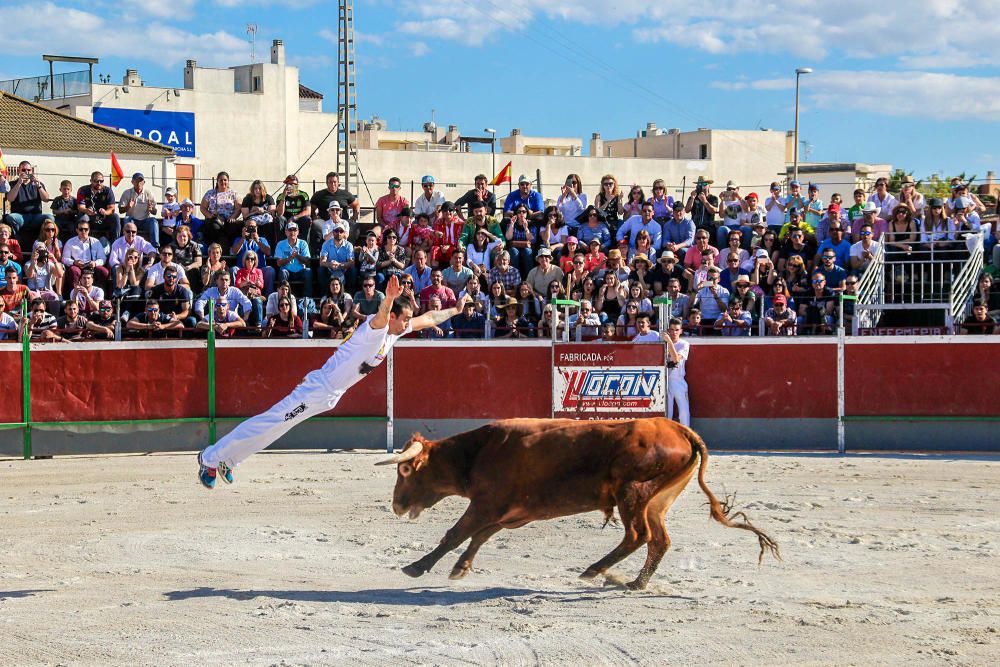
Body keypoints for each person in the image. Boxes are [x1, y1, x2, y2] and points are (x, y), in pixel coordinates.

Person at [196, 277, 469, 484]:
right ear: (393, 315)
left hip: (329, 395)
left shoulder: (396, 331)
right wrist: (387, 299)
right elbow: (382, 317)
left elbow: (429, 317)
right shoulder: (375, 329)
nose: (408, 324)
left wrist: (455, 310)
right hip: (317, 390)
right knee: (270, 422)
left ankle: (228, 460)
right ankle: (209, 457)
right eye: (404, 318)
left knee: (276, 428)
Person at [4, 161, 53, 239]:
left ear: (32, 171)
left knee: (50, 217)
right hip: (20, 216)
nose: (26, 172)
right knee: (11, 217)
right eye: (23, 170)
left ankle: (43, 240)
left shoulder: (38, 184)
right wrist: (19, 183)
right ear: (18, 171)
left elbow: (46, 199)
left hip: (36, 216)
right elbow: (10, 198)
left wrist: (39, 186)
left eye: (29, 170)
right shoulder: (13, 184)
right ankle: (17, 240)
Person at [310, 172, 359, 247]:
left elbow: (356, 204)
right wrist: (314, 217)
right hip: (324, 222)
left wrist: (354, 217)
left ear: (338, 182)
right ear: (327, 183)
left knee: (353, 225)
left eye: (335, 182)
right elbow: (311, 207)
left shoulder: (345, 194)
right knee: (316, 224)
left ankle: (350, 249)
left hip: (343, 221)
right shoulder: (319, 194)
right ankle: (318, 251)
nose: (333, 184)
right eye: (330, 182)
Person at [660, 317, 690, 426]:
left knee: (683, 413)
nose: (674, 332)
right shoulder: (662, 343)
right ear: (668, 330)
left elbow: (676, 359)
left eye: (677, 330)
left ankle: (687, 438)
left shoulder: (684, 344)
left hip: (678, 381)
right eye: (671, 330)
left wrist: (669, 342)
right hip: (664, 381)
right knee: (667, 414)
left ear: (681, 331)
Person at [62, 219, 109, 289]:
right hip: (77, 266)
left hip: (92, 267)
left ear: (89, 230)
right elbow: (64, 259)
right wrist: (74, 262)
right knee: (73, 270)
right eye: (81, 229)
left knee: (104, 271)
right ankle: (75, 295)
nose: (83, 231)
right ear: (77, 230)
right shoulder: (70, 242)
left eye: (86, 229)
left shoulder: (96, 242)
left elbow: (103, 258)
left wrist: (95, 263)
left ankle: (99, 295)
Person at [76, 171, 120, 242]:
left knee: (115, 217)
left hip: (104, 218)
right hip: (89, 218)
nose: (99, 183)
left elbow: (112, 208)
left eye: (101, 181)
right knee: (82, 217)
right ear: (91, 181)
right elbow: (80, 207)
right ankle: (80, 241)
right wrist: (87, 210)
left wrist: (105, 212)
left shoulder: (107, 191)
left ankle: (116, 243)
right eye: (96, 181)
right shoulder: (83, 190)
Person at [118, 172, 159, 248]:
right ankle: (126, 245)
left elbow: (155, 212)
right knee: (127, 219)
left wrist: (151, 209)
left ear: (144, 182)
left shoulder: (149, 193)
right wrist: (127, 207)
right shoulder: (127, 193)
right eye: (136, 181)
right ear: (132, 182)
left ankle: (155, 247)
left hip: (145, 221)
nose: (138, 183)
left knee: (153, 221)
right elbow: (120, 210)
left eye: (140, 181)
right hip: (132, 220)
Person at [199, 171, 240, 246]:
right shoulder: (210, 193)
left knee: (234, 227)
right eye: (220, 180)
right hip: (214, 219)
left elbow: (238, 208)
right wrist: (210, 215)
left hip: (228, 220)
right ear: (217, 182)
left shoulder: (233, 193)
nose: (223, 182)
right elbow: (202, 207)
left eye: (225, 180)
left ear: (228, 181)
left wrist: (233, 217)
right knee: (214, 227)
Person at [274, 222, 313, 298]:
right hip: (287, 271)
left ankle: (307, 298)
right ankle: (283, 297)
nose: (292, 232)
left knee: (308, 271)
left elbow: (307, 262)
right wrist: (290, 258)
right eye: (290, 230)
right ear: (286, 232)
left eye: (295, 230)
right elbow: (278, 263)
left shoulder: (303, 243)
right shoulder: (280, 244)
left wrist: (297, 256)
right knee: (282, 272)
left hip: (300, 271)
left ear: (298, 232)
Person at [275, 175, 312, 247]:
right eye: (290, 184)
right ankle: (281, 246)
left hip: (298, 218)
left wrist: (295, 217)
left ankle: (304, 247)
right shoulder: (281, 196)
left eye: (295, 184)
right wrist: (283, 197)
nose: (292, 186)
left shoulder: (303, 195)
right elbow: (280, 213)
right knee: (279, 219)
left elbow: (308, 211)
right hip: (286, 219)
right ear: (286, 185)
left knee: (307, 219)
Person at [240, 180, 277, 245]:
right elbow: (245, 216)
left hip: (265, 220)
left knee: (270, 225)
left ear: (263, 189)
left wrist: (263, 211)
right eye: (255, 188)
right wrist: (254, 211)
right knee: (251, 226)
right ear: (252, 189)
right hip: (252, 220)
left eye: (259, 188)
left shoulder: (268, 198)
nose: (257, 190)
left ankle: (269, 247)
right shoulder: (247, 199)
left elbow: (272, 214)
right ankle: (251, 245)